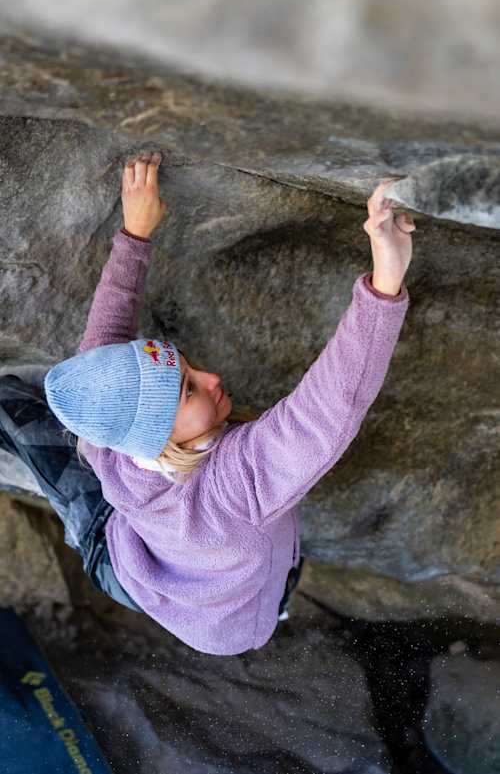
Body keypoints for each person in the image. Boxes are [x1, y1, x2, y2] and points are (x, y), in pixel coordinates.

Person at [0, 151, 415, 656]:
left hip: (127, 562)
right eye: (189, 389)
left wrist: (135, 235)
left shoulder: (111, 438)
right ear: (155, 437)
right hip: (167, 573)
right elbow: (325, 413)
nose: (212, 376)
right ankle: (276, 590)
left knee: (13, 409)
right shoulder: (229, 488)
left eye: (188, 370)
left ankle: (271, 581)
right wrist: (384, 283)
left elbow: (102, 355)